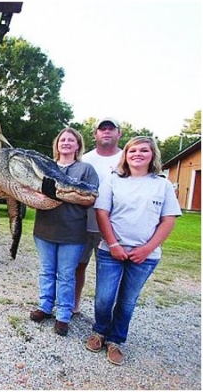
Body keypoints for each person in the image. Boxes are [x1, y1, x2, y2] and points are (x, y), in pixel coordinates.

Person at [85, 136, 182, 365]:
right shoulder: (113, 180)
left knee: (127, 301)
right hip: (111, 250)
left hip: (145, 256)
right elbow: (102, 214)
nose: (137, 154)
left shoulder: (162, 184)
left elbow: (168, 220)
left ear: (152, 155)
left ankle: (115, 340)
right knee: (104, 298)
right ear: (125, 155)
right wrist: (114, 244)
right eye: (132, 150)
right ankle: (99, 331)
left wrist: (147, 249)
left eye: (144, 150)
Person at [30, 128, 99, 336]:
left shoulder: (86, 169)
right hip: (44, 229)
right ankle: (44, 306)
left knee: (67, 275)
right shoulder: (46, 167)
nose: (66, 143)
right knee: (46, 270)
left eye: (71, 140)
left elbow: (90, 197)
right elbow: (34, 192)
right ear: (57, 144)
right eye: (63, 139)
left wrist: (56, 195)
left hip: (72, 232)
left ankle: (63, 316)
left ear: (78, 145)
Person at [74, 118, 123, 315]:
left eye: (111, 129)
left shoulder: (125, 160)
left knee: (108, 274)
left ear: (119, 134)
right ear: (95, 134)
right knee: (78, 266)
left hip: (112, 228)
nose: (107, 132)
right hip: (82, 224)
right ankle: (73, 306)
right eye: (102, 129)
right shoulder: (84, 160)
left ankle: (104, 315)